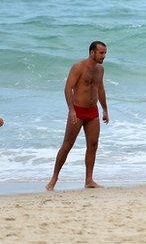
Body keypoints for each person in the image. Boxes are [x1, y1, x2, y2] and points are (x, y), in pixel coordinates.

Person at [46, 41, 109, 191]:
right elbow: (68, 88)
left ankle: (89, 180)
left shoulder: (100, 70)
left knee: (93, 145)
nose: (104, 56)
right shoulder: (78, 67)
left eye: (105, 53)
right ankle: (54, 178)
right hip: (78, 111)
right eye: (101, 53)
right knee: (68, 144)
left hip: (93, 111)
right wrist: (71, 110)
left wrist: (105, 109)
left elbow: (100, 89)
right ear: (92, 52)